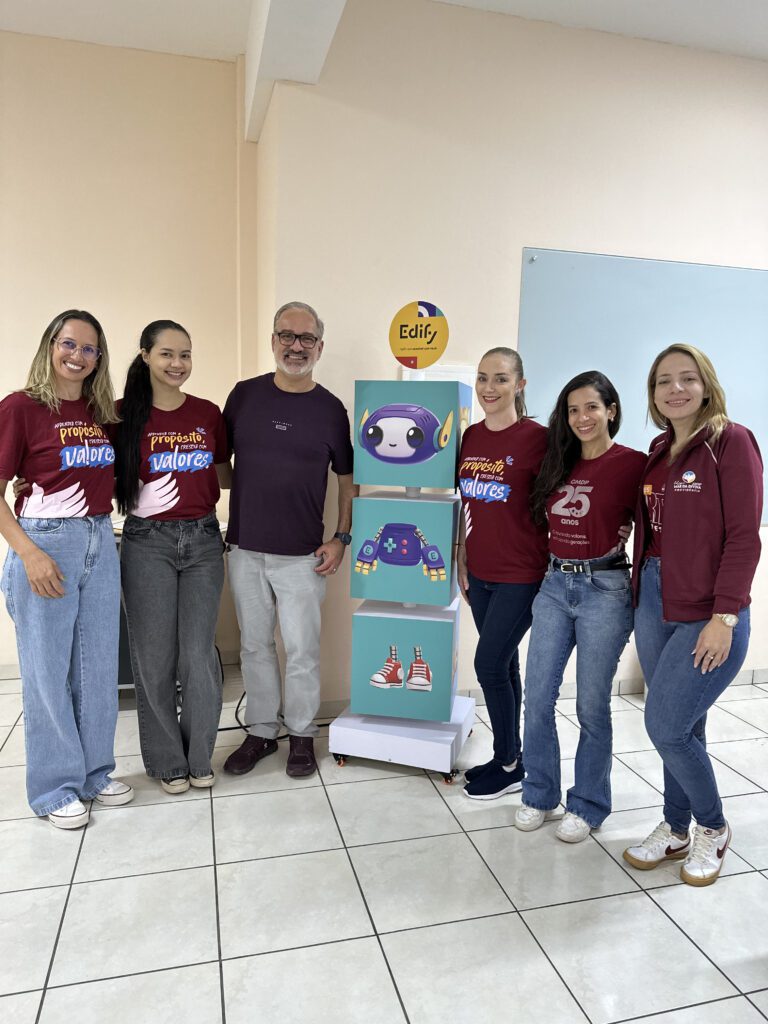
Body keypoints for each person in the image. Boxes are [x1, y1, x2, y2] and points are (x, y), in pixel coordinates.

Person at [621, 345, 762, 885]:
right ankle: (676, 826)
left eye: (687, 378)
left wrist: (724, 618)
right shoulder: (659, 450)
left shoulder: (731, 442)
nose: (675, 389)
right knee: (684, 726)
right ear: (653, 393)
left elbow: (744, 538)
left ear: (706, 386)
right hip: (655, 601)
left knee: (664, 724)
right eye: (663, 381)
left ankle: (713, 826)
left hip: (707, 610)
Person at [0, 310, 134, 828]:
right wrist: (29, 553)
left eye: (89, 348)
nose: (77, 355)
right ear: (50, 345)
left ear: (99, 358)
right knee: (47, 671)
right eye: (68, 343)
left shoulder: (101, 413)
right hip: (46, 544)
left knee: (97, 668)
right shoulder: (21, 407)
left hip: (99, 538)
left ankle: (95, 773)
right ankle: (55, 788)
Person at [222, 302, 354, 779]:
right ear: (273, 340)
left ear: (320, 346)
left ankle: (300, 734)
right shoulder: (244, 396)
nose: (296, 347)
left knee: (301, 651)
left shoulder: (331, 410)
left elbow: (347, 481)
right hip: (245, 548)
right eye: (287, 336)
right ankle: (261, 731)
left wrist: (341, 537)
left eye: (306, 338)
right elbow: (218, 463)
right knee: (255, 647)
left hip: (303, 555)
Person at [514, 372, 646, 841]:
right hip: (554, 585)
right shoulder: (557, 461)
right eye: (573, 410)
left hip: (604, 588)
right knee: (538, 698)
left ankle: (587, 804)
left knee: (591, 705)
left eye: (592, 407)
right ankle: (539, 794)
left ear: (611, 410)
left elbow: (655, 523)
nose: (582, 417)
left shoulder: (633, 464)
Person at [113, 320, 230, 794]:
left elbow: (224, 474)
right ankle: (166, 762)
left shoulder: (207, 414)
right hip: (147, 543)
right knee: (154, 658)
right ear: (145, 356)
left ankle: (199, 756)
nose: (177, 363)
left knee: (198, 656)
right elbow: (87, 464)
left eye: (185, 354)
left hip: (204, 540)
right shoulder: (120, 415)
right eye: (167, 354)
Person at [457, 347, 548, 799]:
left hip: (522, 574)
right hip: (480, 574)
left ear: (520, 384)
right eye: (482, 378)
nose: (489, 388)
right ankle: (508, 757)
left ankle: (510, 764)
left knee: (489, 664)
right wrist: (461, 557)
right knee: (505, 664)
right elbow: (464, 503)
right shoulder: (470, 437)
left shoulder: (539, 439)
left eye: (500, 378)